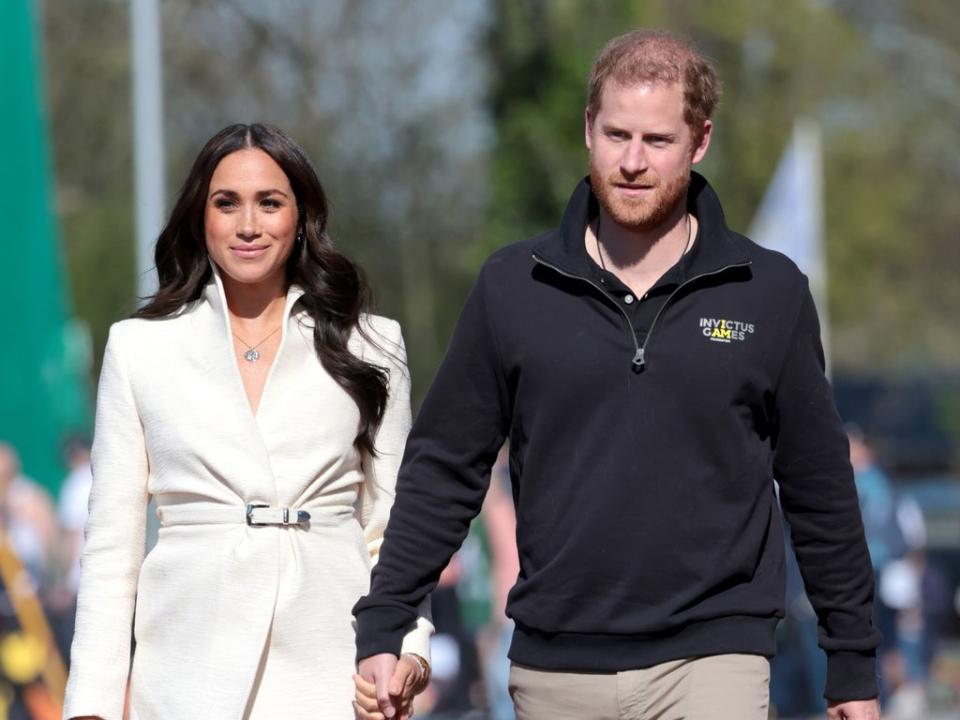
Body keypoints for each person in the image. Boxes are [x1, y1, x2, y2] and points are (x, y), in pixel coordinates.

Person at [353, 30, 881, 720]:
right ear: (588, 130)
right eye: (616, 135)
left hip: (715, 657)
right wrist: (387, 619)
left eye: (657, 141)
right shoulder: (513, 287)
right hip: (555, 665)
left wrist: (852, 667)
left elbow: (820, 488)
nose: (632, 161)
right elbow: (444, 466)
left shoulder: (768, 292)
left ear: (700, 142)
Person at [62, 123, 432, 720]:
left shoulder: (372, 344)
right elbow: (111, 548)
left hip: (334, 670)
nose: (248, 225)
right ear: (199, 217)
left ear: (301, 215)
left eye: (270, 202)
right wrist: (91, 706)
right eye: (226, 203)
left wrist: (407, 649)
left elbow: (392, 526)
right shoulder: (138, 349)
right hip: (184, 675)